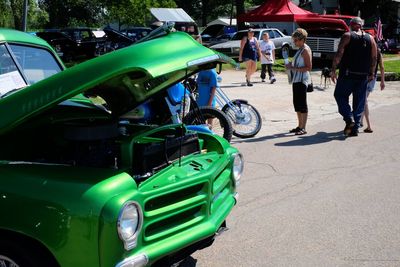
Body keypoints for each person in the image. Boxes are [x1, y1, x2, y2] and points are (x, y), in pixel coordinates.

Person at [330, 17, 377, 137]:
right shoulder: (370, 38)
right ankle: (354, 128)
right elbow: (374, 57)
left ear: (351, 25)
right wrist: (371, 73)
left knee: (339, 95)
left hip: (347, 74)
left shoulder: (347, 36)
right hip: (363, 76)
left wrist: (333, 69)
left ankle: (348, 118)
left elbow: (339, 53)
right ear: (361, 25)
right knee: (359, 102)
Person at [285, 28, 312, 135]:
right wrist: (289, 65)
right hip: (296, 79)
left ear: (302, 39)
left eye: (296, 40)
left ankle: (303, 127)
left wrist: (294, 68)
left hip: (302, 80)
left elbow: (309, 67)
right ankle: (299, 125)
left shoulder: (305, 50)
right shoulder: (300, 49)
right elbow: (296, 64)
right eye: (294, 40)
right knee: (296, 103)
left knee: (302, 103)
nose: (294, 42)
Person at [361, 42, 385, 133]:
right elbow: (382, 67)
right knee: (364, 100)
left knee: (364, 101)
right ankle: (361, 121)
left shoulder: (366, 50)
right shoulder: (378, 52)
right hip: (373, 79)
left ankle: (369, 126)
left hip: (365, 78)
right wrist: (382, 81)